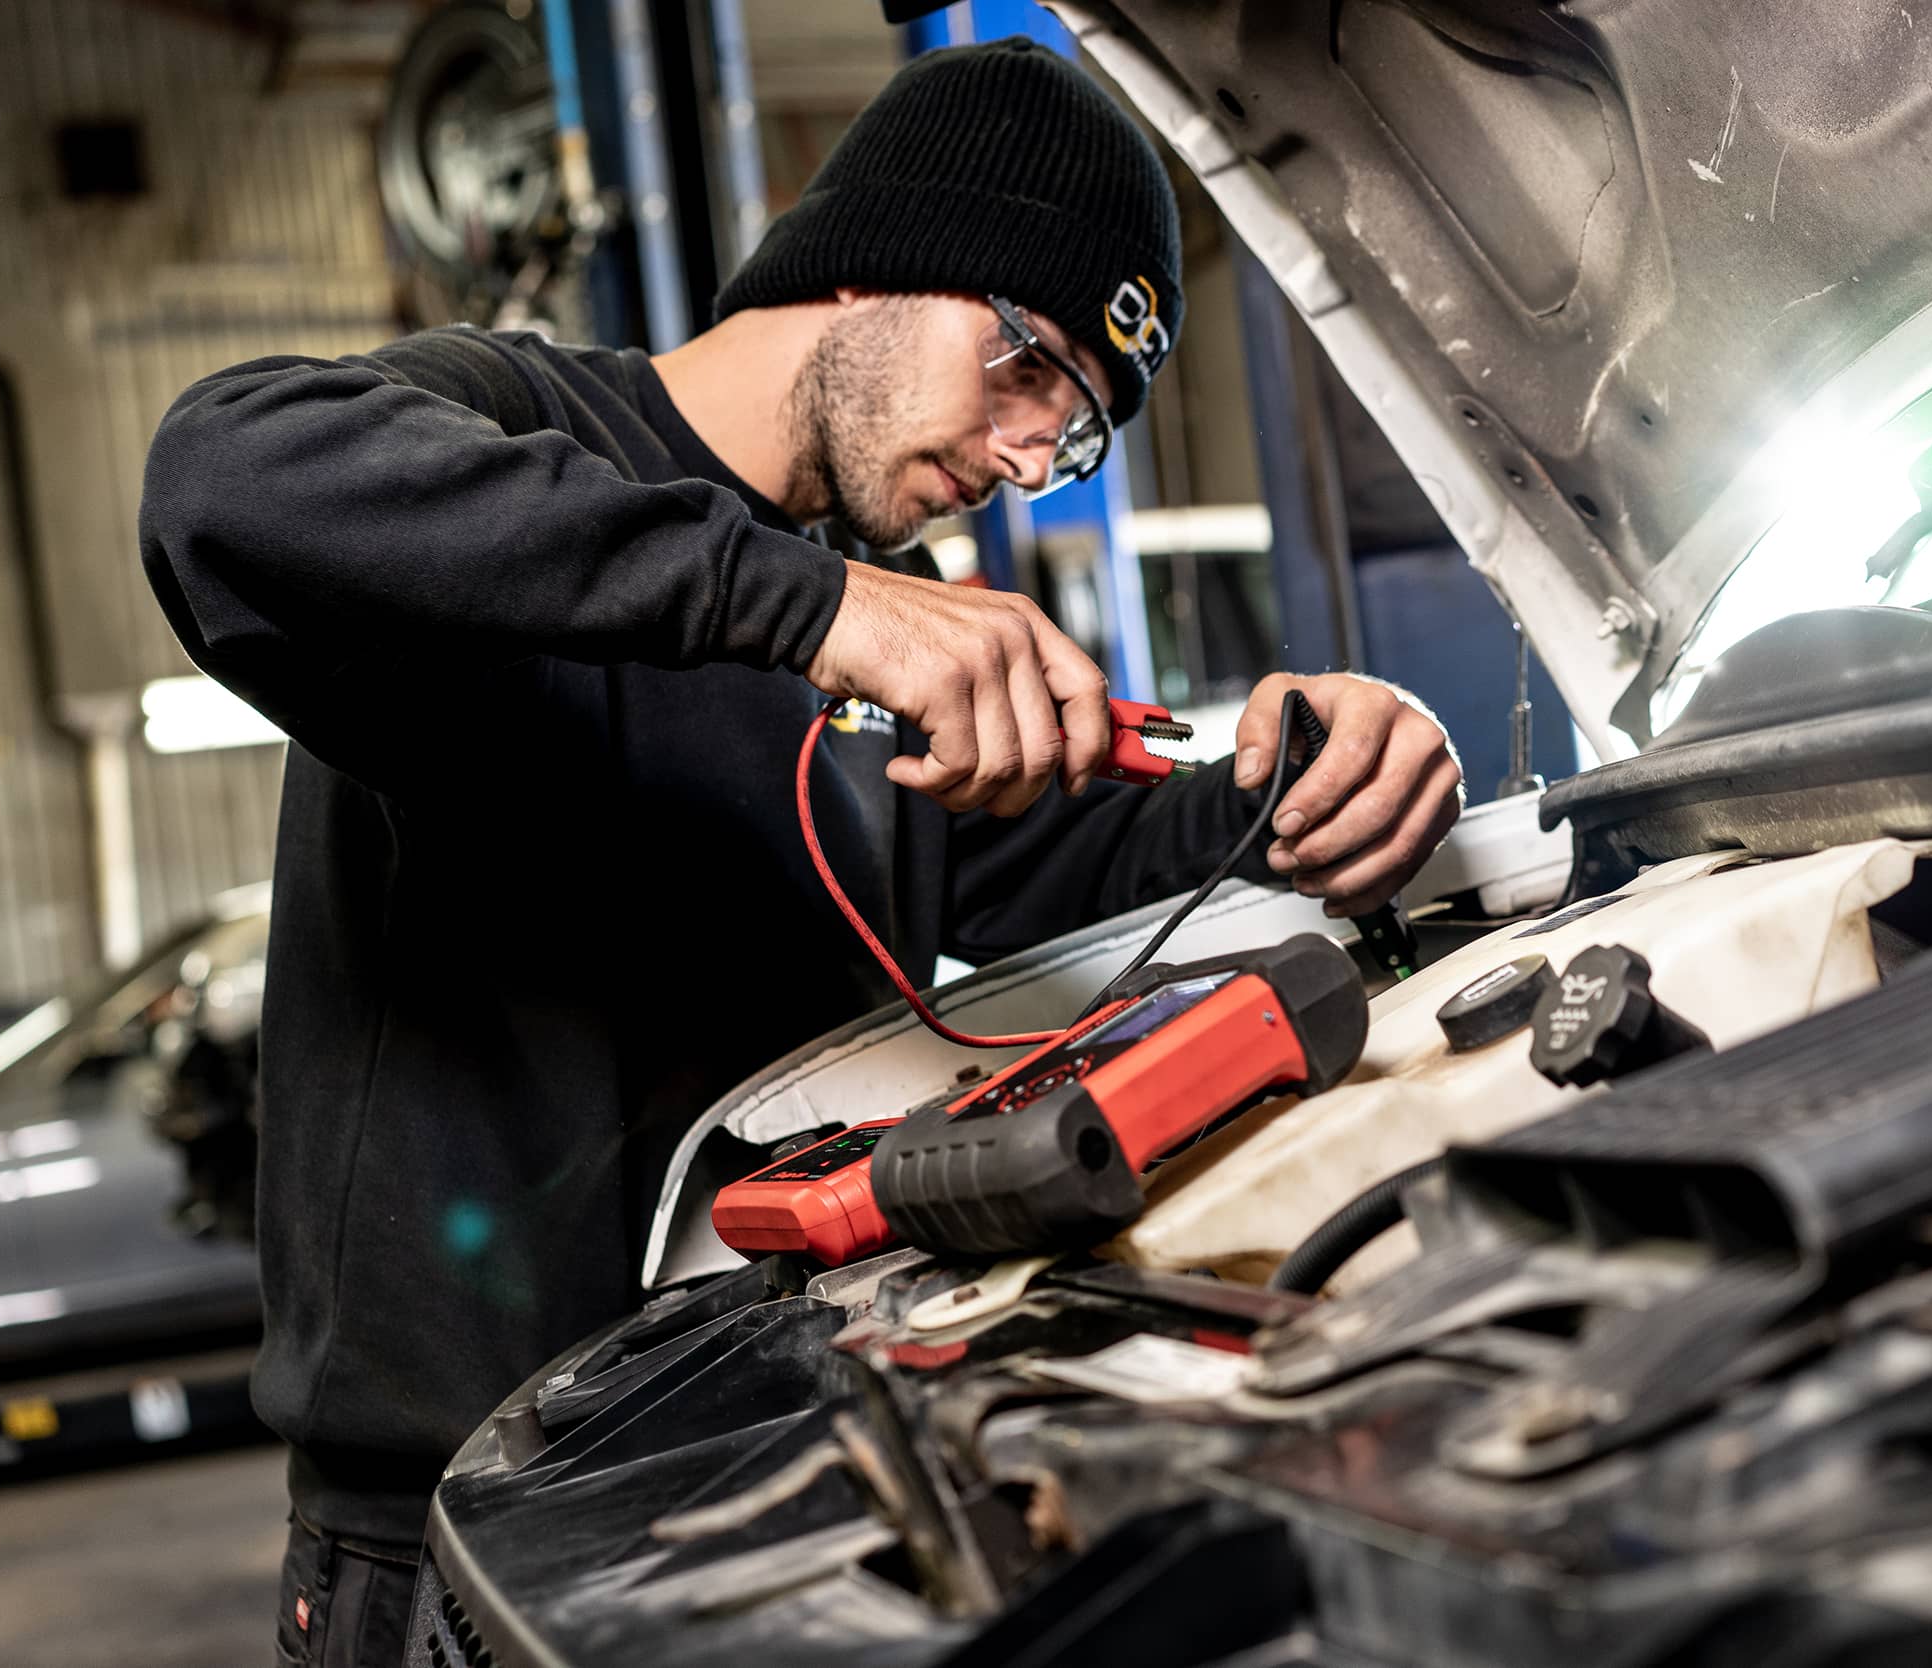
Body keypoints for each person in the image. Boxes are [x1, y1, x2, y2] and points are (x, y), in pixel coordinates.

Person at [139, 38, 1460, 1667]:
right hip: (454, 1550)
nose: (1027, 455)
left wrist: (1326, 775)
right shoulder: (526, 433)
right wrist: (824, 607)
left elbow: (1076, 861)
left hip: (777, 1477)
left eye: (1079, 433)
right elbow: (224, 476)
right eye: (1029, 367)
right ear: (879, 267)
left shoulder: (878, 661)